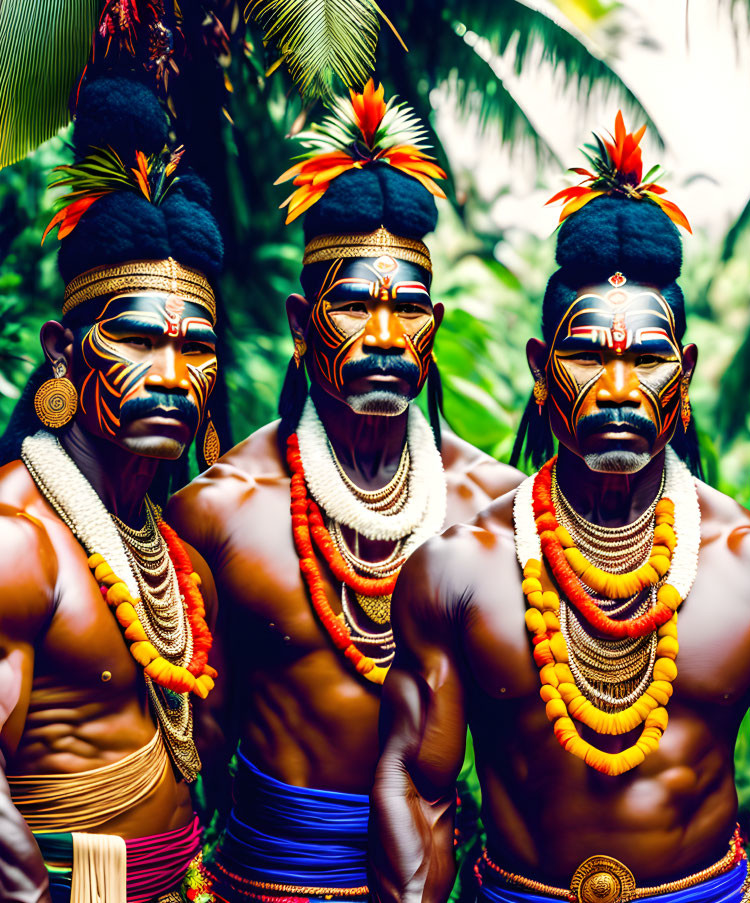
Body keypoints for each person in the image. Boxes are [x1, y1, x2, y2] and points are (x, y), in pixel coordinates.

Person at [370, 114, 750, 903]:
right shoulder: (458, 568)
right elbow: (416, 786)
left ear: (684, 374)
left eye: (648, 358)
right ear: (539, 367)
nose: (618, 388)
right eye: (588, 354)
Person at [164, 80, 524, 903]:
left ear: (433, 324)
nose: (385, 336)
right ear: (299, 324)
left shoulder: (495, 507)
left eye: (406, 308)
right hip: (263, 880)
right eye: (354, 305)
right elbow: (186, 745)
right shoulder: (223, 508)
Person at [0, 76, 225, 903]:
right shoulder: (16, 539)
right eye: (133, 338)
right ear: (63, 351)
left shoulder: (176, 559)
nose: (171, 376)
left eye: (196, 349)